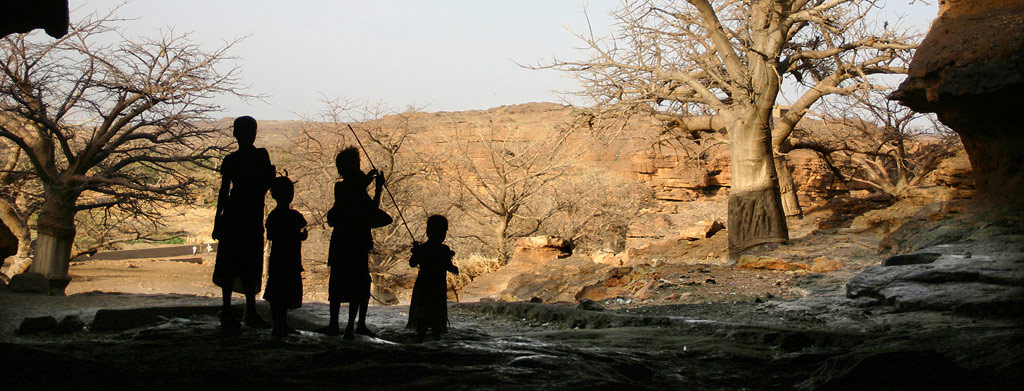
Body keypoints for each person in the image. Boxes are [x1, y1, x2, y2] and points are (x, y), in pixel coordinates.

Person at [318, 147, 392, 339]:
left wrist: (376, 189)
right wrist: (368, 185)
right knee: (347, 283)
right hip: (350, 242)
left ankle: (349, 325)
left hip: (347, 242)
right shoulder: (342, 187)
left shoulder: (353, 188)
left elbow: (370, 210)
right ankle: (346, 325)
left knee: (355, 283)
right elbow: (360, 204)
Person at [212, 116, 275, 330]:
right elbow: (266, 184)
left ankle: (229, 309)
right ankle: (249, 311)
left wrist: (217, 219)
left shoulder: (231, 160)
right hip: (250, 214)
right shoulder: (260, 156)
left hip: (235, 213)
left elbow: (224, 191)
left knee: (231, 263)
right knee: (249, 262)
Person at [264, 175, 307, 337]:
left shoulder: (274, 216)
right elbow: (300, 230)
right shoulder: (294, 216)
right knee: (285, 291)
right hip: (290, 259)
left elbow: (271, 236)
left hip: (278, 258)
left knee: (278, 293)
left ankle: (279, 324)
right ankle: (281, 324)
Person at [406, 215, 459, 342]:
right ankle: (436, 340)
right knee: (436, 315)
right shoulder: (444, 249)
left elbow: (412, 263)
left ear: (428, 231)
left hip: (423, 286)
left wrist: (416, 251)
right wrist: (454, 268)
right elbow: (449, 267)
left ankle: (420, 340)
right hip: (437, 286)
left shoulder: (423, 249)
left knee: (423, 316)